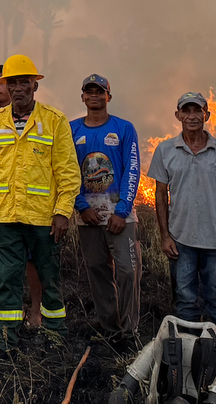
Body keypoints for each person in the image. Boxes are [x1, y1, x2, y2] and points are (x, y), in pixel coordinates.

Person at [0, 54, 81, 356]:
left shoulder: (54, 120)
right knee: (7, 280)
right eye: (14, 83)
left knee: (49, 279)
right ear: (7, 87)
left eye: (25, 82)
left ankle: (55, 337)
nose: (19, 88)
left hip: (44, 219)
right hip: (6, 218)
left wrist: (63, 212)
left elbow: (68, 171)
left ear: (35, 86)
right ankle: (5, 342)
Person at [147, 92, 216, 346]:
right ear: (178, 115)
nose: (191, 116)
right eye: (186, 111)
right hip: (181, 241)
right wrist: (165, 236)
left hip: (215, 242)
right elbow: (159, 195)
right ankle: (189, 351)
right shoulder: (166, 150)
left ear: (206, 115)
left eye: (197, 111)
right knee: (185, 300)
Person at [71, 74, 142, 348]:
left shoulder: (124, 128)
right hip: (87, 216)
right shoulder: (72, 129)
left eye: (100, 92)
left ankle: (130, 332)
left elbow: (132, 169)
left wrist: (122, 211)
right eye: (89, 92)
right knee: (97, 270)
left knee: (127, 271)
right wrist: (81, 205)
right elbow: (65, 171)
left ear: (108, 96)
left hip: (120, 215)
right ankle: (110, 328)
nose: (94, 96)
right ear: (83, 97)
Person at [0, 63, 44, 329]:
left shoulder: (40, 119)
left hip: (33, 206)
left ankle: (36, 312)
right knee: (5, 265)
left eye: (0, 83)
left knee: (32, 262)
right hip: (0, 206)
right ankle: (9, 318)